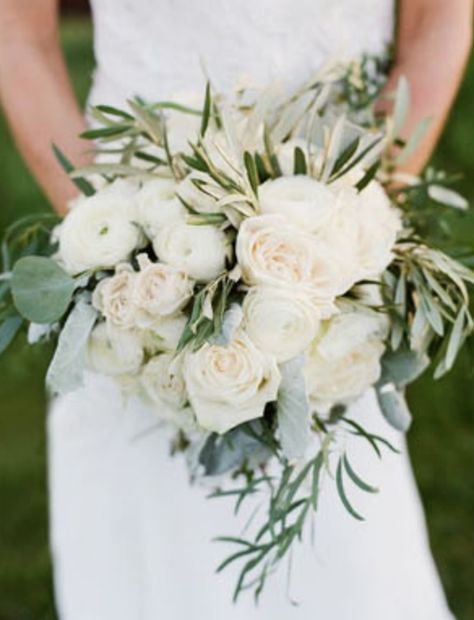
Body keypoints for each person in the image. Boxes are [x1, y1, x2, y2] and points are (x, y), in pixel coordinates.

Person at [0, 1, 472, 618]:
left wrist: (347, 235)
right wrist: (120, 250)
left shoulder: (336, 254)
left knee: (345, 559)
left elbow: (438, 17)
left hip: (326, 266)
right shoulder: (132, 276)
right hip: (140, 247)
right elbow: (18, 32)